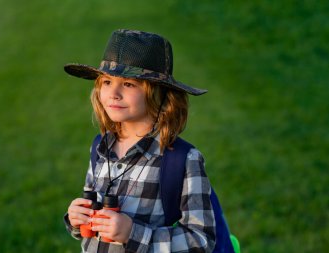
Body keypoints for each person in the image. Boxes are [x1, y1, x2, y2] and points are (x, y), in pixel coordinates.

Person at [63, 29, 216, 253]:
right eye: (106, 81)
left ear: (159, 94)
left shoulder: (182, 160)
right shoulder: (100, 146)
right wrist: (77, 220)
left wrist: (132, 233)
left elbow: (202, 240)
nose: (113, 93)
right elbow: (92, 217)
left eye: (128, 84)